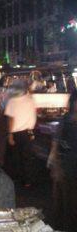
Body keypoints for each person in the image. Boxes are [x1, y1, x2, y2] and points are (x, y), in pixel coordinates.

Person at [48, 91, 77, 231]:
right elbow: (56, 141)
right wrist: (54, 161)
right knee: (66, 200)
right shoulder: (66, 121)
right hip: (66, 166)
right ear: (73, 103)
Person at [4, 80, 36, 187]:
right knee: (27, 157)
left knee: (15, 157)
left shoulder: (12, 101)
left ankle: (17, 179)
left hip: (16, 133)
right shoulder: (30, 99)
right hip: (28, 132)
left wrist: (10, 135)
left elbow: (11, 119)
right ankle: (28, 180)